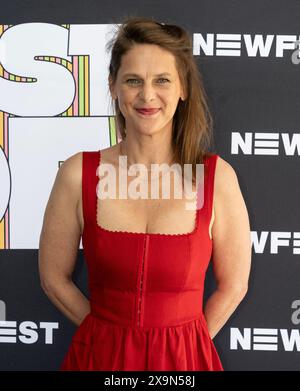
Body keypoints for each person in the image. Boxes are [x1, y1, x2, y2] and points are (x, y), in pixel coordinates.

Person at [38, 16, 251, 371]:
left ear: (183, 88)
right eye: (133, 80)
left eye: (162, 80)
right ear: (113, 87)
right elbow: (53, 278)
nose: (147, 95)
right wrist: (107, 336)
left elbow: (234, 285)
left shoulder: (214, 178)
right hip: (97, 361)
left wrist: (183, 344)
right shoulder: (78, 174)